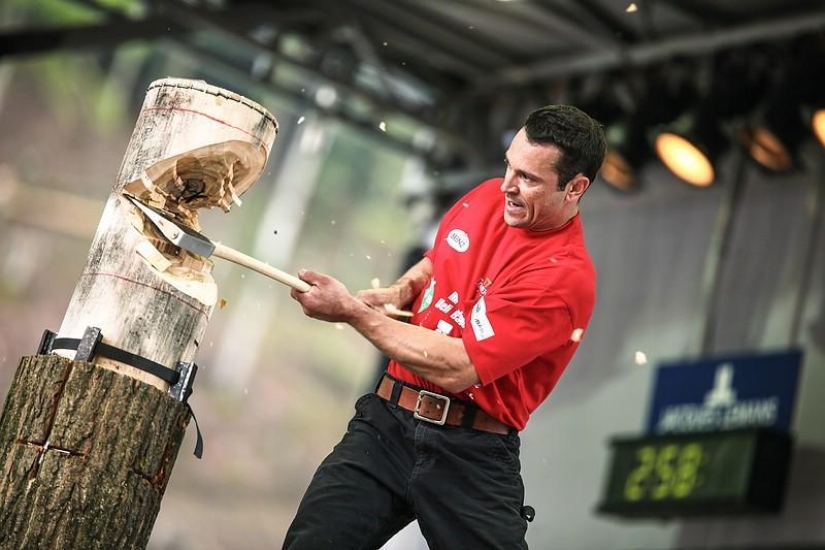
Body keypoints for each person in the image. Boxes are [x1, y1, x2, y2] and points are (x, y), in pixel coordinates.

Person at [284, 104, 606, 549]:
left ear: (575, 188)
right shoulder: (487, 195)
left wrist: (354, 312)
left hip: (471, 454)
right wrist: (402, 289)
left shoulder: (563, 277)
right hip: (387, 425)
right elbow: (441, 259)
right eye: (510, 167)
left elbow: (458, 366)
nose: (508, 187)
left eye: (529, 179)